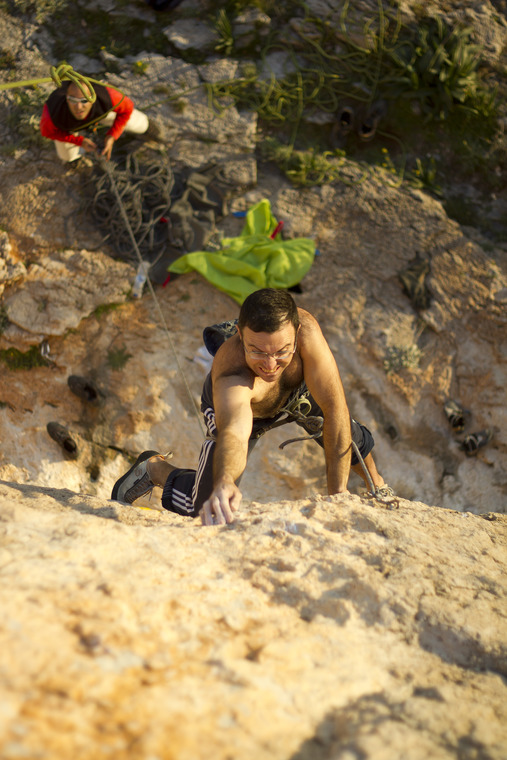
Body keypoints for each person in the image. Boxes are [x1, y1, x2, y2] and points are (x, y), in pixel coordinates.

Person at [111, 288, 394, 525]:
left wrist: (338, 495)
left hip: (296, 391)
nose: (270, 365)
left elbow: (335, 408)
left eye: (282, 351)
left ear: (296, 333)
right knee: (206, 508)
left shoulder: (307, 332)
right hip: (246, 412)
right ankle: (154, 469)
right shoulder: (232, 372)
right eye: (257, 351)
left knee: (346, 431)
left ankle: (377, 485)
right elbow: (234, 434)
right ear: (239, 334)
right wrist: (225, 481)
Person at [40, 79, 160, 162]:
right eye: (73, 100)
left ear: (92, 98)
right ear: (66, 98)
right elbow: (47, 133)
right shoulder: (53, 113)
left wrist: (112, 135)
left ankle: (148, 127)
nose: (78, 107)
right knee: (67, 156)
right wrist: (79, 141)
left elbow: (127, 108)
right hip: (69, 125)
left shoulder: (107, 97)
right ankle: (77, 157)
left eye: (84, 100)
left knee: (138, 123)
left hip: (99, 114)